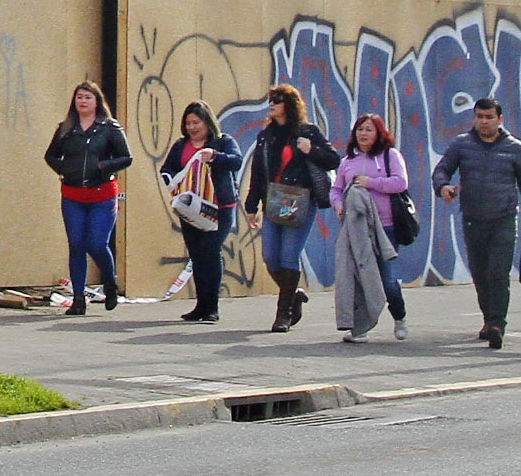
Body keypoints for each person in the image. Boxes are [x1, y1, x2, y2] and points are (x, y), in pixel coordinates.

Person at [431, 96, 521, 349]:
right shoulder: (462, 144)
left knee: (498, 273)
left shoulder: (514, 148)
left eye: (489, 117)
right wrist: (443, 187)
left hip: (503, 219)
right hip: (473, 220)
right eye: (479, 117)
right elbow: (441, 170)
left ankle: (497, 324)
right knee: (481, 274)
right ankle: (488, 320)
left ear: (499, 119)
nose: (483, 122)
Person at [244, 82, 338, 333]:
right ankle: (293, 295)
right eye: (270, 100)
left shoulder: (308, 132)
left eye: (277, 100)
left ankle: (283, 313)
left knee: (288, 255)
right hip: (274, 201)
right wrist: (251, 206)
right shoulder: (266, 136)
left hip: (300, 201)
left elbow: (333, 160)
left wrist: (311, 150)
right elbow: (258, 173)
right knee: (270, 256)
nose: (271, 104)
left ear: (290, 105)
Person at [43, 81, 133, 313]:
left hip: (102, 194)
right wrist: (64, 169)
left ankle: (110, 283)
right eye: (79, 97)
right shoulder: (66, 128)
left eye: (87, 97)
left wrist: (103, 166)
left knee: (96, 243)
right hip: (73, 194)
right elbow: (50, 156)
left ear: (96, 102)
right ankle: (79, 299)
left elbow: (126, 157)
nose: (82, 101)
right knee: (76, 245)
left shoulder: (109, 127)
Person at [157, 101, 240, 322]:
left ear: (207, 122)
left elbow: (236, 162)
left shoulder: (223, 141)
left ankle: (212, 306)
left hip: (219, 208)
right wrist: (168, 179)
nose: (192, 127)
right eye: (188, 123)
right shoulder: (181, 145)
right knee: (196, 254)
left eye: (196, 122)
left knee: (210, 251)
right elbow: (167, 168)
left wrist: (215, 156)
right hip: (190, 209)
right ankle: (200, 305)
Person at [332, 113, 411, 342]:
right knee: (358, 279)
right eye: (360, 130)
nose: (363, 134)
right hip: (357, 230)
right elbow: (336, 189)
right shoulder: (348, 162)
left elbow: (400, 182)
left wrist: (371, 183)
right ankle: (360, 329)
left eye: (368, 130)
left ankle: (399, 316)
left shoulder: (389, 156)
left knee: (387, 281)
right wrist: (338, 205)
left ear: (378, 133)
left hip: (386, 229)